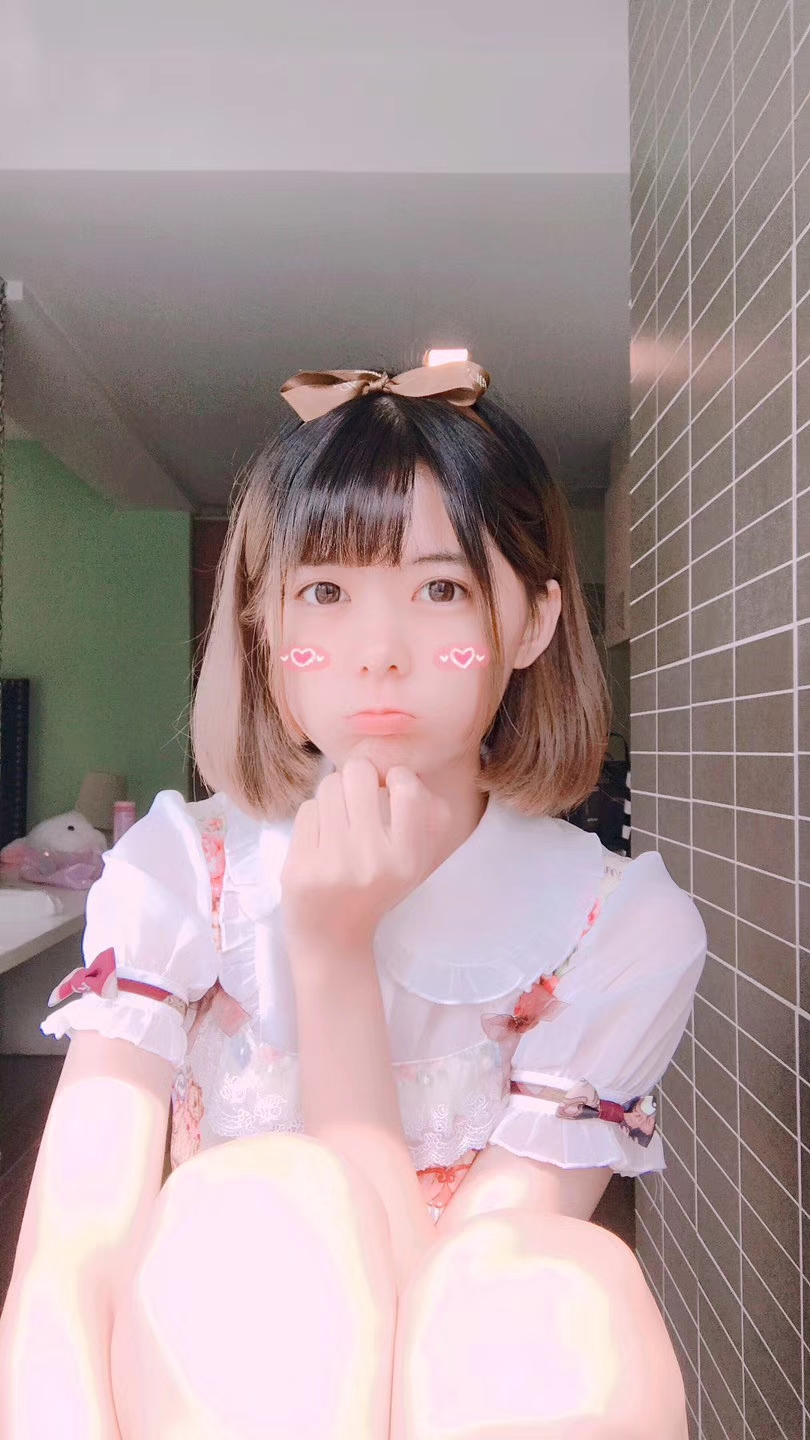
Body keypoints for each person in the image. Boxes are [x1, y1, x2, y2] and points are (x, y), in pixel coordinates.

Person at [0, 359, 706, 1439]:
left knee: (562, 1282)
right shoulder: (184, 872)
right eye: (325, 593)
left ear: (531, 621)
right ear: (267, 631)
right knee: (257, 1209)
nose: (379, 655)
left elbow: (449, 1310)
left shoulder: (617, 926)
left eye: (440, 590)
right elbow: (70, 1265)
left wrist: (334, 955)